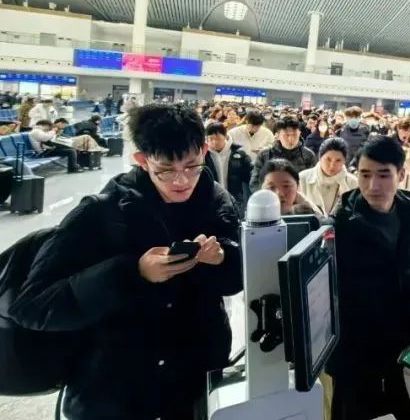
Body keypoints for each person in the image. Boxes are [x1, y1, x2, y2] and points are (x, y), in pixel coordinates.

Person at [11, 103, 241, 419]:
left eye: (192, 166)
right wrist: (133, 272)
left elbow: (234, 282)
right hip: (116, 391)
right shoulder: (100, 213)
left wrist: (223, 258)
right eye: (165, 170)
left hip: (195, 384)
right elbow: (32, 306)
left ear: (203, 151)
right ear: (142, 161)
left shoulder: (218, 201)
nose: (181, 181)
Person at [327, 135, 410, 420]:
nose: (373, 185)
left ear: (401, 175)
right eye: (365, 175)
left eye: (383, 175)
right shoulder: (340, 226)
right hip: (359, 352)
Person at [251, 117, 317, 188]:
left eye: (294, 135)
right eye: (286, 135)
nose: (290, 139)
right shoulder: (265, 154)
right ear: (278, 136)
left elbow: (313, 182)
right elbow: (255, 182)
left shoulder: (308, 155)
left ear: (299, 134)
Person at [205, 121, 254, 209]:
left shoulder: (239, 154)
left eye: (218, 139)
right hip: (210, 201)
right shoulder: (203, 156)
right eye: (211, 139)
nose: (214, 142)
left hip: (235, 201)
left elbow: (250, 175)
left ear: (225, 137)